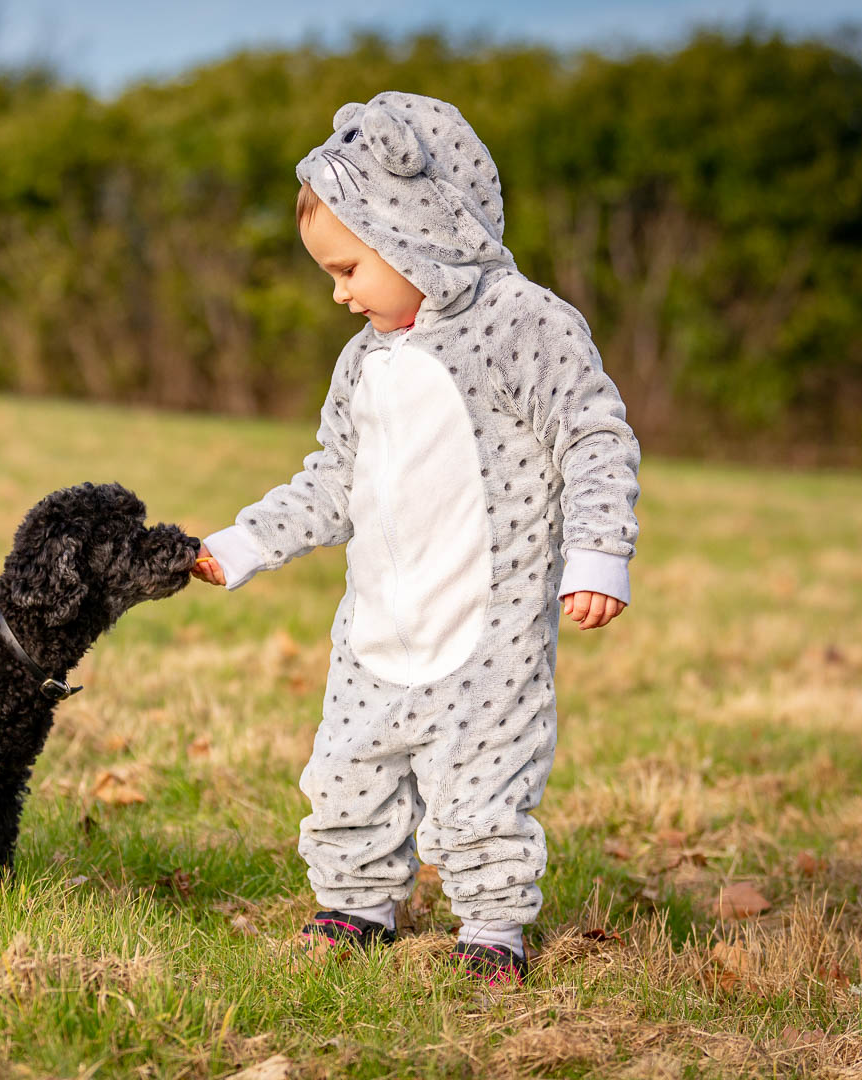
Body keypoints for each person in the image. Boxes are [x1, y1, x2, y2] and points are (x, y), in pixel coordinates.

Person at [191, 91, 640, 986]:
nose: (338, 292)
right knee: (349, 768)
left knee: (481, 786)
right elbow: (332, 478)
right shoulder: (363, 360)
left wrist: (598, 551)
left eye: (349, 268)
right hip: (379, 626)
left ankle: (492, 926)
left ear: (417, 229)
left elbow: (593, 435)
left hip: (489, 629)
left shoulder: (526, 325)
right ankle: (355, 905)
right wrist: (242, 544)